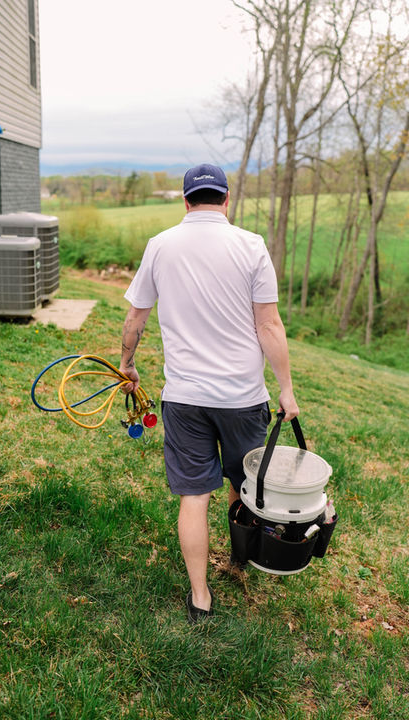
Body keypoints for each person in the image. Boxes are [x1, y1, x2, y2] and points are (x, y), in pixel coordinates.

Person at [119, 163, 299, 623]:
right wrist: (286, 389)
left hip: (184, 398)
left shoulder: (160, 246)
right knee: (245, 483)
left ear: (185, 201)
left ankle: (200, 597)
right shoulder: (251, 245)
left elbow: (134, 319)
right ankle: (242, 559)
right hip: (243, 397)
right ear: (226, 199)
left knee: (194, 497)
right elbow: (269, 324)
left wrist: (128, 364)